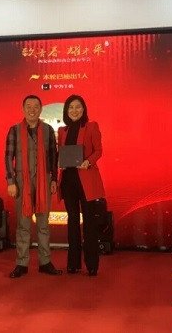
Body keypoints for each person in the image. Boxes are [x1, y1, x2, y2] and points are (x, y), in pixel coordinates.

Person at [5, 95, 62, 278]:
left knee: (43, 224)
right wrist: (11, 182)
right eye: (28, 106)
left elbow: (54, 157)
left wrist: (54, 180)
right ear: (23, 109)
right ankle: (21, 263)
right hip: (21, 182)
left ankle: (45, 262)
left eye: (36, 106)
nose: (32, 109)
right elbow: (8, 157)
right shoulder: (14, 130)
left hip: (44, 181)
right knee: (23, 225)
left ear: (41, 109)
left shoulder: (47, 130)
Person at [58, 95, 105, 276]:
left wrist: (88, 162)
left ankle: (92, 264)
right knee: (72, 222)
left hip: (87, 180)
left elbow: (99, 150)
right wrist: (60, 162)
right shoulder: (62, 130)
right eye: (71, 107)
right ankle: (73, 263)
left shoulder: (91, 126)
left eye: (78, 107)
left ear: (83, 109)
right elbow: (61, 152)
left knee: (89, 222)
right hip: (68, 181)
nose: (74, 110)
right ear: (66, 111)